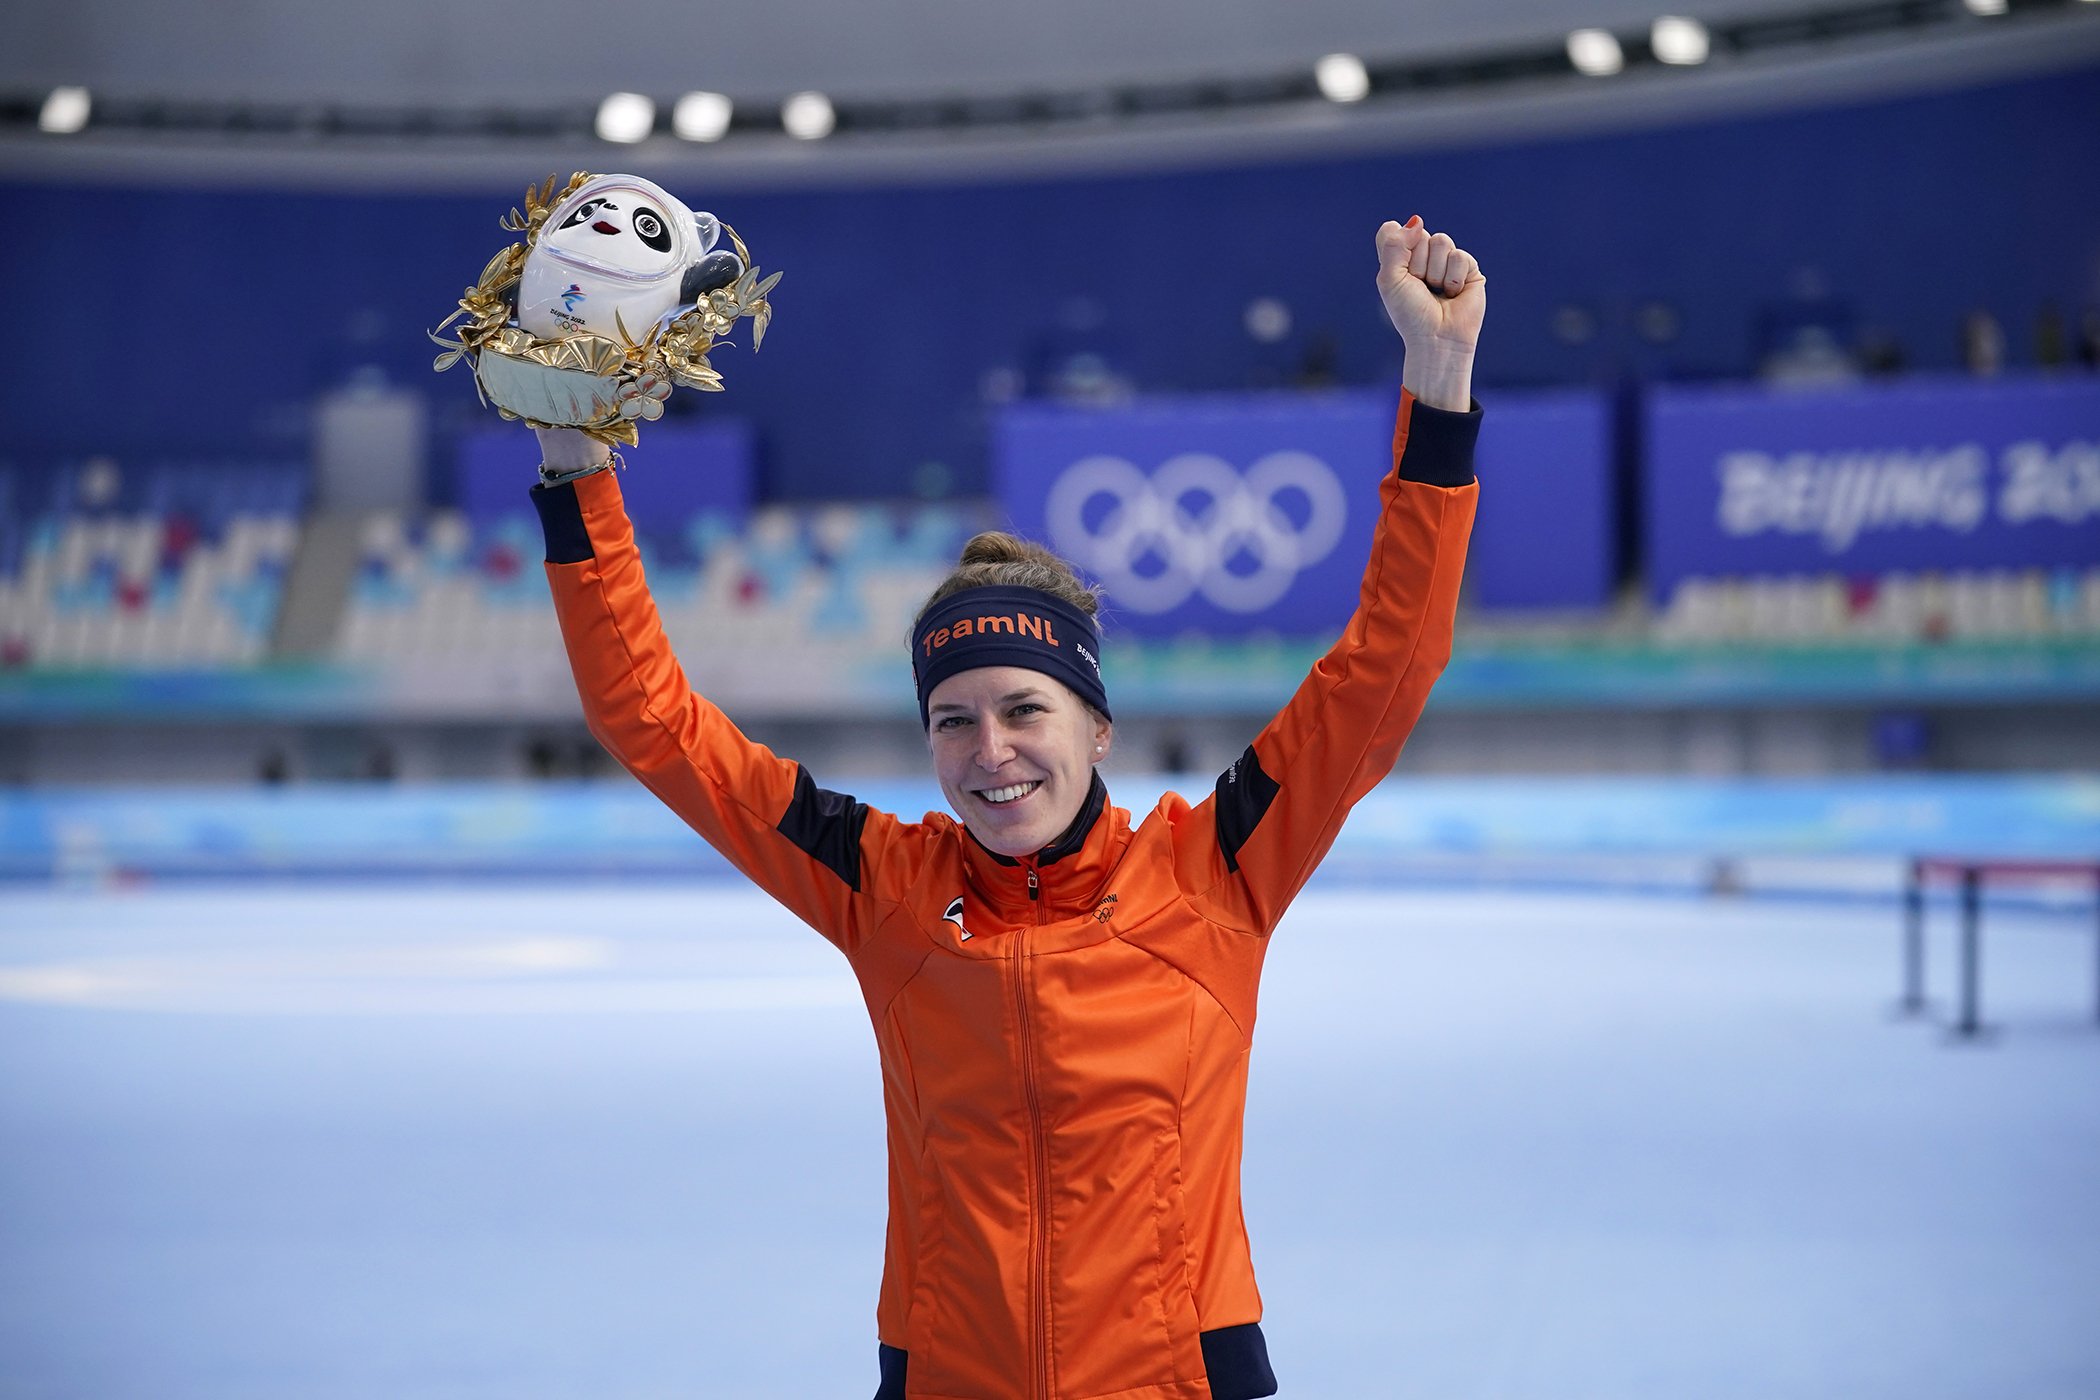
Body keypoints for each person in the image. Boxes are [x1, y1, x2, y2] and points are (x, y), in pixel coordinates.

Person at [527, 216, 1484, 1400]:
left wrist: (1438, 380)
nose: (992, 752)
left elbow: (1390, 662)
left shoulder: (1216, 871)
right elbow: (651, 720)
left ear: (1097, 726)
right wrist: (574, 467)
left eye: (1026, 709)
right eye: (953, 719)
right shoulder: (882, 886)